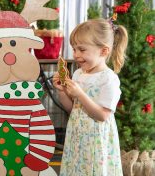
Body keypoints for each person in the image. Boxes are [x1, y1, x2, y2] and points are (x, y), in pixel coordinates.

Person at [53, 18, 128, 176]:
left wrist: (80, 93)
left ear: (103, 51)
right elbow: (72, 108)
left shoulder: (109, 79)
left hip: (95, 140)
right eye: (74, 49)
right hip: (77, 137)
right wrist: (62, 91)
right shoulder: (78, 73)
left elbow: (102, 115)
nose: (76, 55)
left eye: (82, 49)